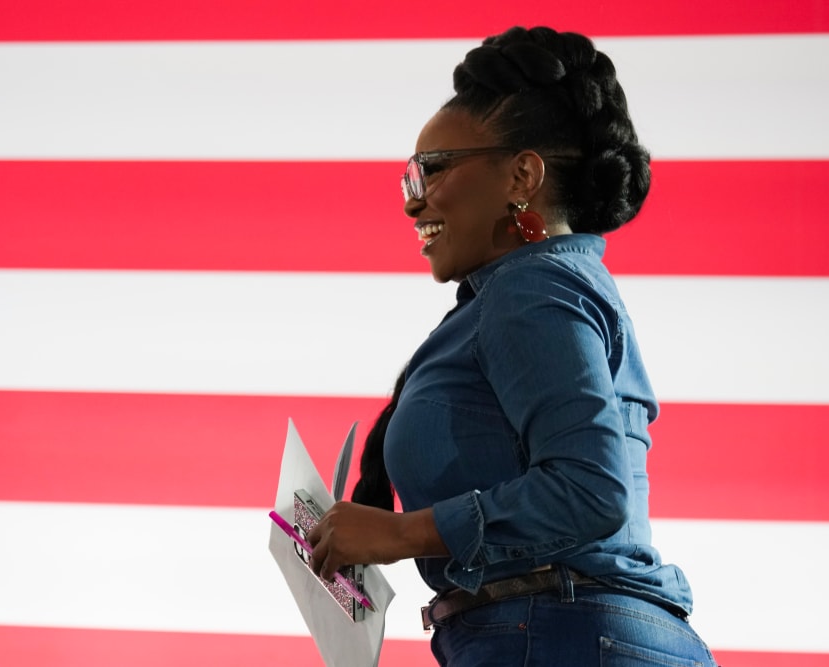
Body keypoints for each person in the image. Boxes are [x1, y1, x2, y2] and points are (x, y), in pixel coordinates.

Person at [305, 26, 718, 666]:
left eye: (431, 170)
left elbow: (590, 490)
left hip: (558, 635)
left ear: (522, 175)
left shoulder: (532, 288)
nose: (414, 203)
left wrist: (402, 533)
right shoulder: (534, 288)